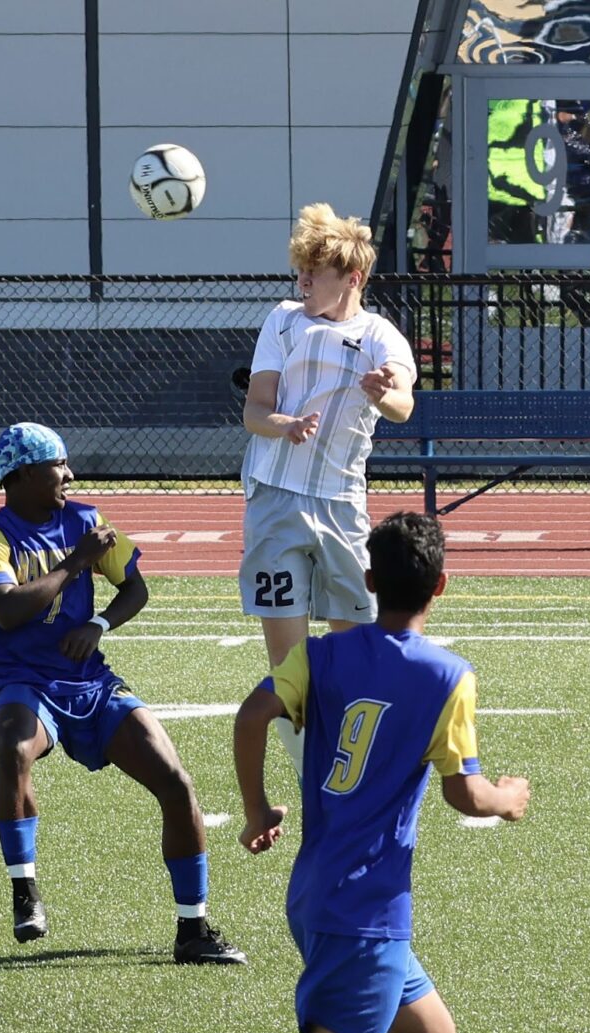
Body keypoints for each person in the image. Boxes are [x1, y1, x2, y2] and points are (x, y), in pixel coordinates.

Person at [187, 511, 530, 1033]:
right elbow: (463, 793)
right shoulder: (449, 675)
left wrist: (256, 807)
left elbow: (251, 717)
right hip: (367, 907)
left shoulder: (322, 653)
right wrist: (508, 799)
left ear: (369, 582)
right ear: (442, 585)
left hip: (318, 891)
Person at [0, 422, 244, 964]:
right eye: (58, 465)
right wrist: (76, 562)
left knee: (176, 781)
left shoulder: (86, 519)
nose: (69, 475)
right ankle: (25, 892)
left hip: (90, 682)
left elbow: (135, 588)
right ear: (22, 474)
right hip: (26, 680)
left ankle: (193, 929)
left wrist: (98, 625)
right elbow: (7, 608)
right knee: (15, 746)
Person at [241, 204, 416, 772]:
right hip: (275, 502)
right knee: (289, 666)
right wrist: (285, 425)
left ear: (352, 278)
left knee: (359, 655)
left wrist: (383, 393)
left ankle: (358, 770)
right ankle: (313, 783)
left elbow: (403, 404)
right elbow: (255, 411)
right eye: (301, 271)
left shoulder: (379, 335)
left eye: (315, 272)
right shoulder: (283, 321)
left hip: (342, 509)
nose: (303, 281)